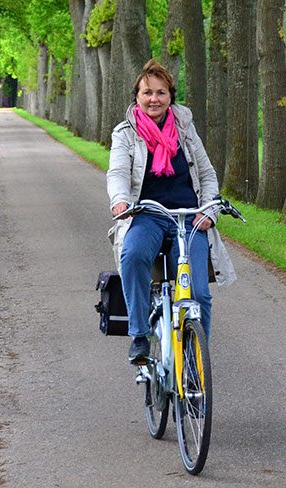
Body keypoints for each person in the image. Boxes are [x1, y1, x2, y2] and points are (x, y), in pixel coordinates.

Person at [107, 59, 235, 364]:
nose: (154, 99)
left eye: (161, 93)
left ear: (170, 97)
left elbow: (206, 173)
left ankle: (194, 361)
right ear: (136, 97)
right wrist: (121, 201)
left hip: (189, 217)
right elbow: (117, 172)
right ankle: (139, 335)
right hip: (147, 214)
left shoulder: (185, 129)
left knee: (199, 295)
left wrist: (210, 211)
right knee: (133, 255)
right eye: (147, 92)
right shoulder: (126, 133)